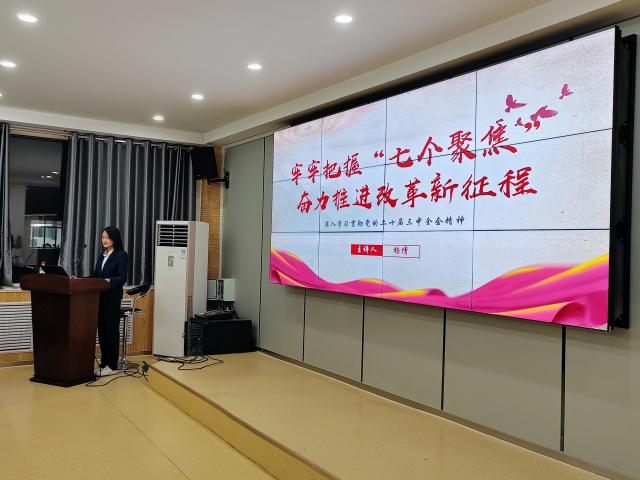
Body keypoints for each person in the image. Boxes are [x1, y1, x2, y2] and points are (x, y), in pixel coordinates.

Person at [93, 226, 128, 377]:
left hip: (112, 298)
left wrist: (108, 281)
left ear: (114, 238)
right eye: (102, 237)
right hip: (99, 298)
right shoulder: (102, 255)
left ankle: (112, 365)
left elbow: (122, 277)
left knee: (111, 331)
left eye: (107, 237)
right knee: (102, 331)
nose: (104, 240)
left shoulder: (121, 255)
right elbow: (96, 275)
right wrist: (80, 279)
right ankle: (104, 363)